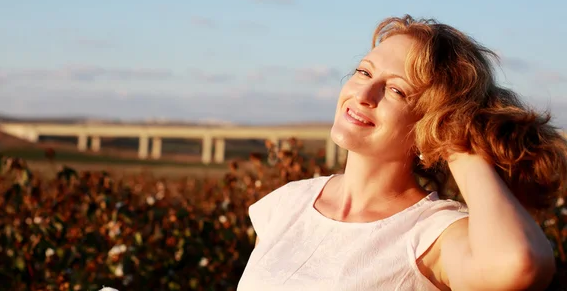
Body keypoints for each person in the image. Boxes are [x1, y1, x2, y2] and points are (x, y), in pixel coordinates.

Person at [237, 15, 567, 290]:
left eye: (396, 90)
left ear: (435, 123)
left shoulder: (433, 234)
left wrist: (459, 142)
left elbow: (518, 263)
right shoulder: (286, 204)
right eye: (364, 71)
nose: (363, 94)